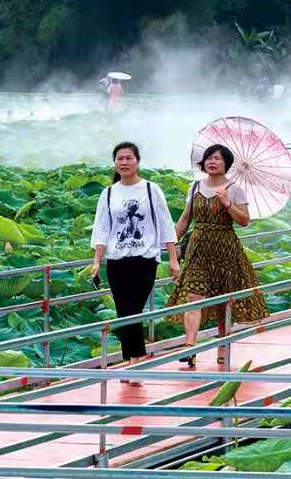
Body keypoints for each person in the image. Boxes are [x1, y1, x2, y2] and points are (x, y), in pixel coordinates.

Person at [168, 143, 268, 368]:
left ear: (226, 164)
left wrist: (226, 202)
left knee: (224, 301)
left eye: (217, 158)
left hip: (225, 249)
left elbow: (244, 220)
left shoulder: (234, 188)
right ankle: (189, 347)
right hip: (198, 248)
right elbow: (185, 219)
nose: (212, 162)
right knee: (193, 296)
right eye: (209, 158)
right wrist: (171, 246)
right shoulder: (195, 187)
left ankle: (223, 348)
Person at [90, 142, 179, 385]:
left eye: (129, 158)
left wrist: (172, 258)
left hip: (144, 259)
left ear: (137, 161)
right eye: (120, 159)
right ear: (115, 163)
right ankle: (134, 360)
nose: (124, 163)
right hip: (117, 262)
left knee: (134, 310)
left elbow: (166, 224)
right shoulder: (108, 193)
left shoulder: (151, 189)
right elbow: (101, 229)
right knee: (123, 312)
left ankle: (133, 361)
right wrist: (97, 261)